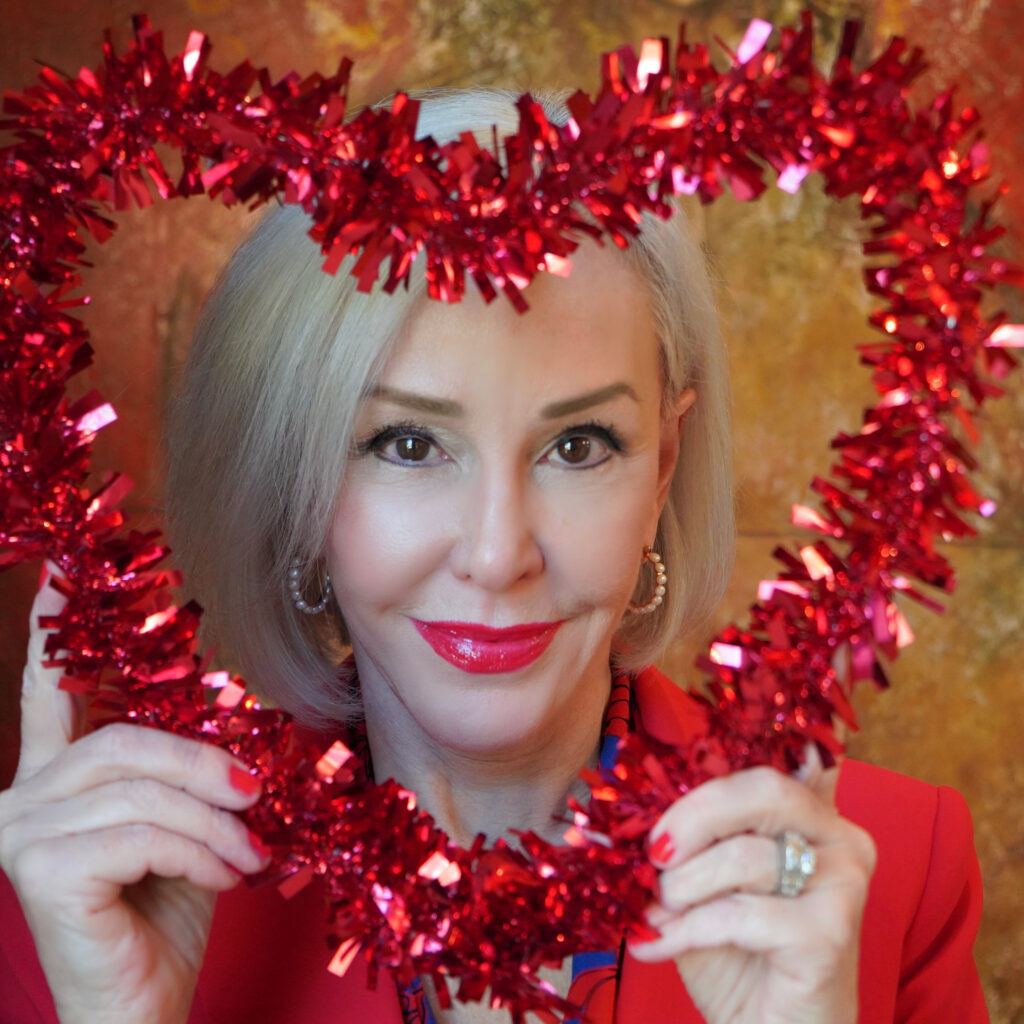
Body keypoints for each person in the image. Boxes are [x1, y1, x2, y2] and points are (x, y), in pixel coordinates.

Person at [0, 89, 986, 1024]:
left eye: (578, 445)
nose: (496, 551)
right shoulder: (94, 890)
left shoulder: (890, 868)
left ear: (663, 468)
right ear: (300, 489)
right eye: (408, 445)